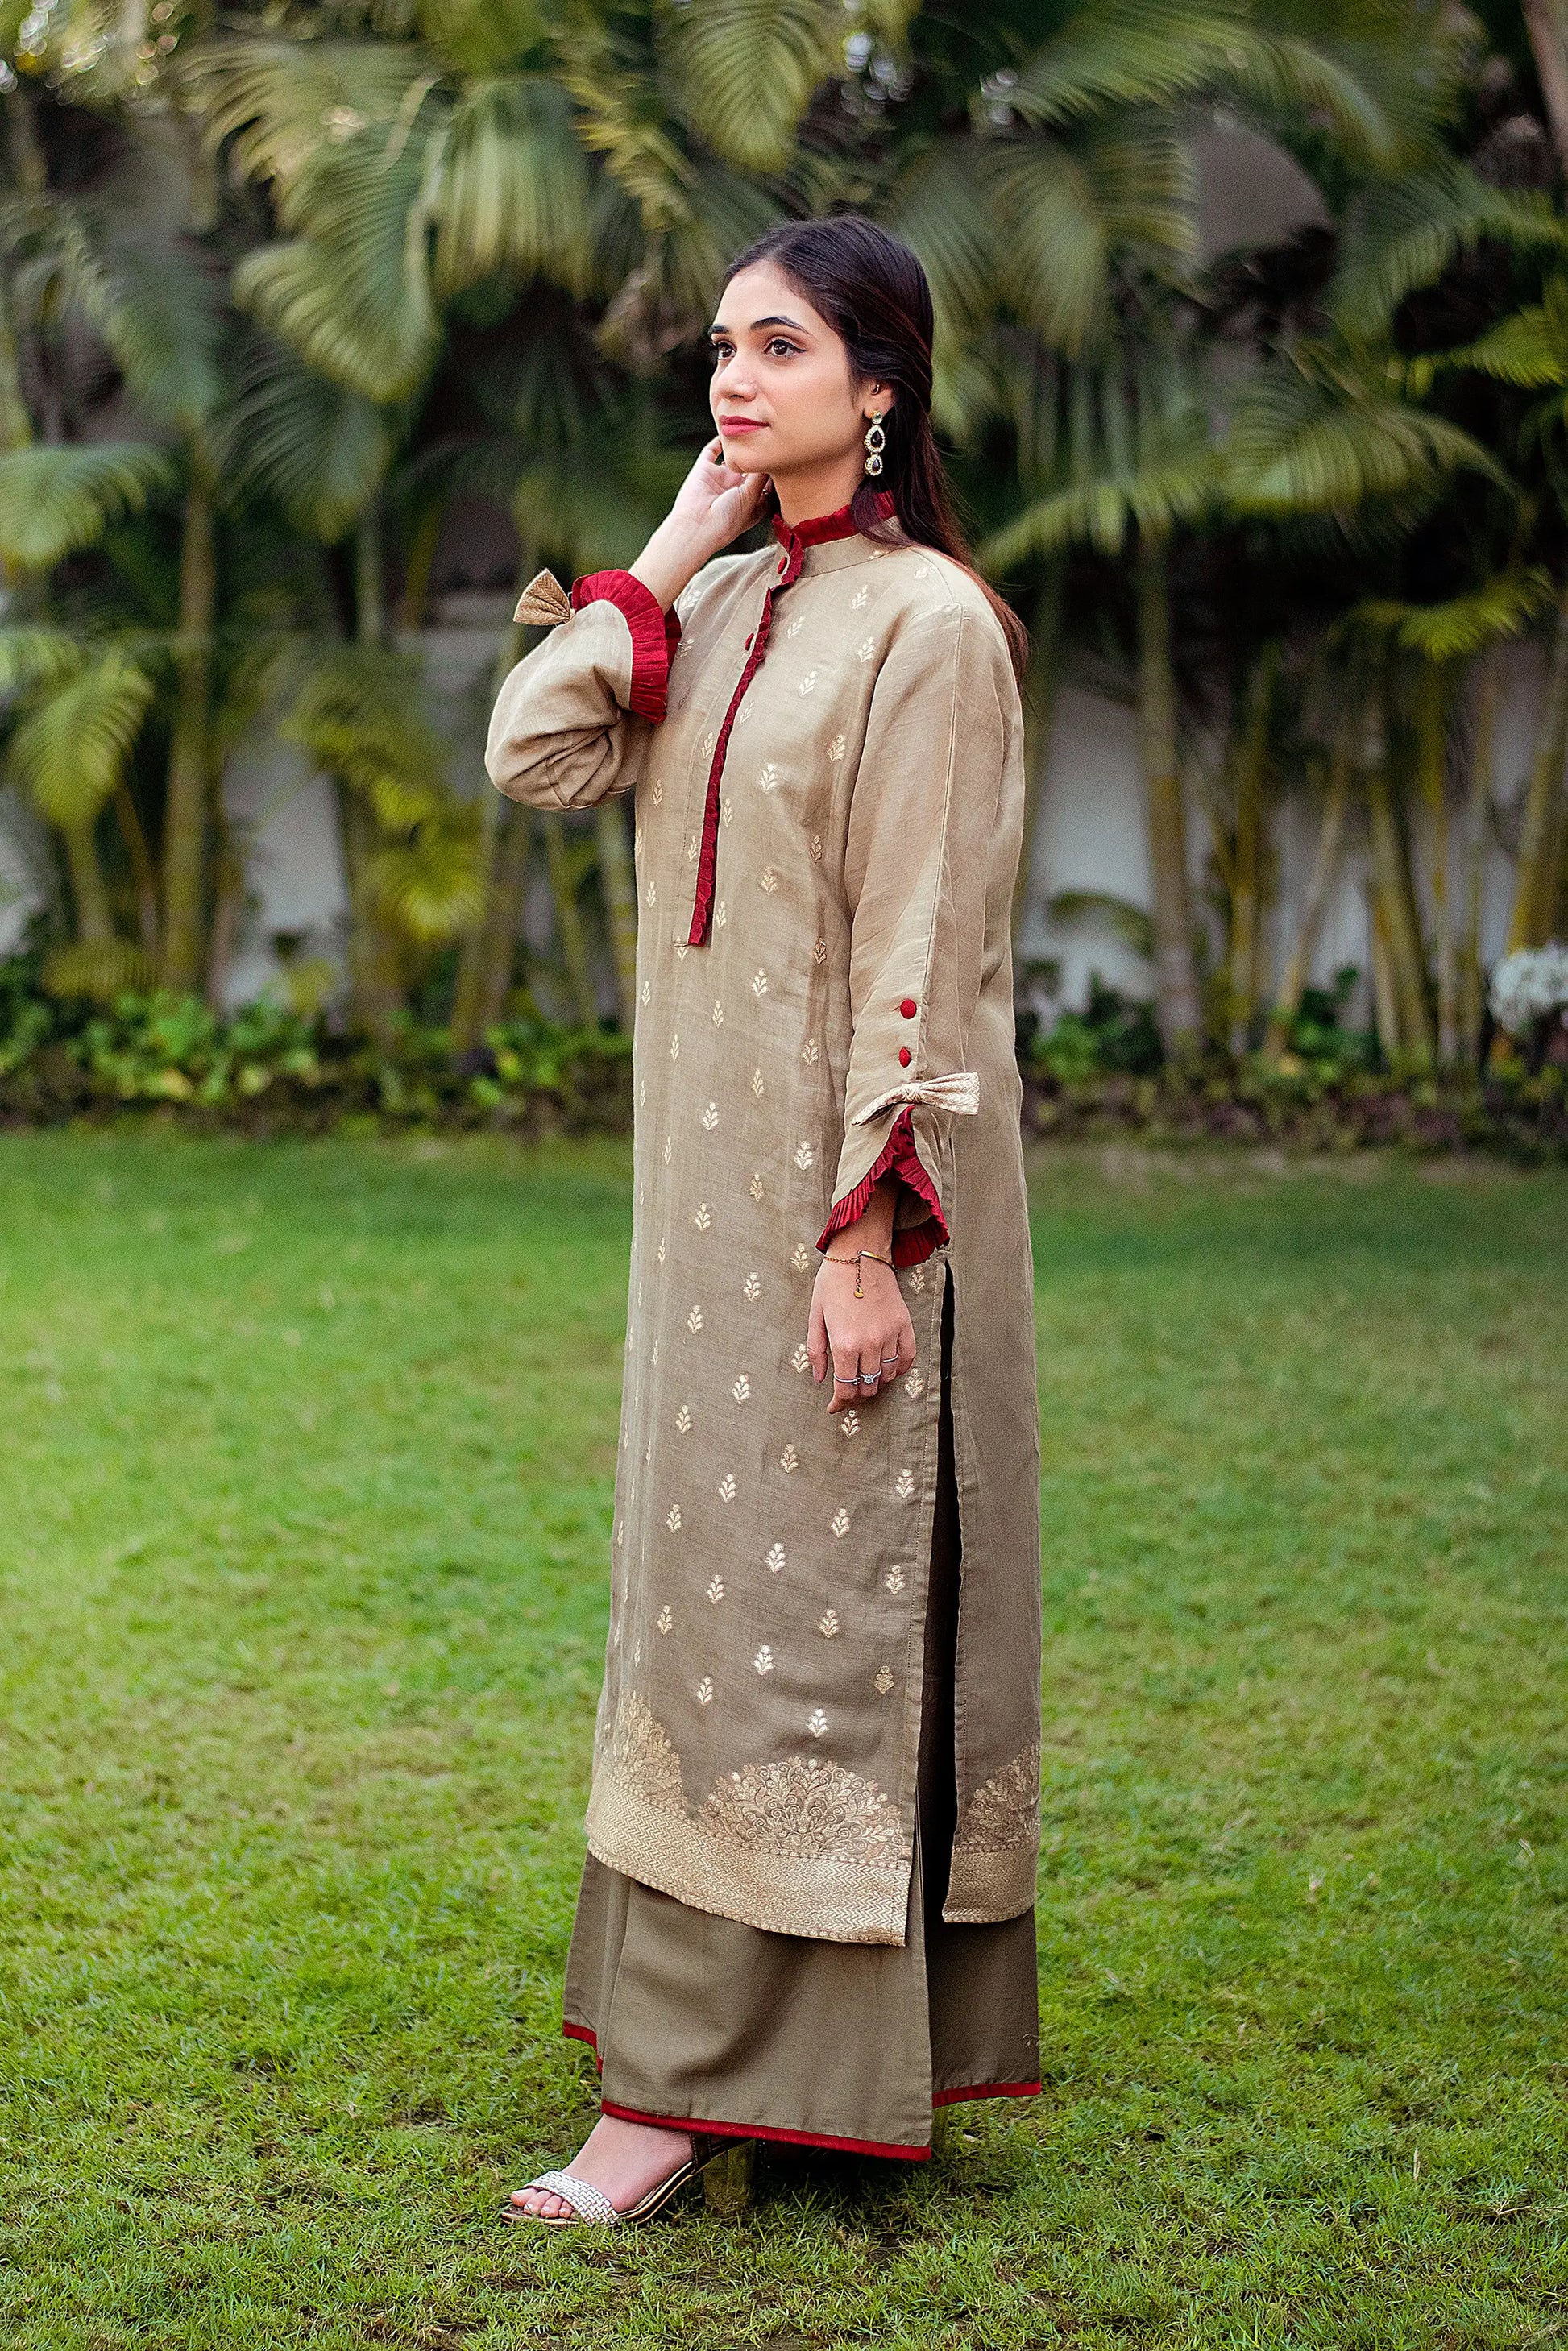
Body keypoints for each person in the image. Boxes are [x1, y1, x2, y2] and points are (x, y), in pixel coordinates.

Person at [485, 214, 1043, 2228]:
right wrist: (668, 543)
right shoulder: (714, 613)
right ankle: (701, 2068)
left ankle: (688, 2093)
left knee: (817, 1613)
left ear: (879, 382)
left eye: (781, 348)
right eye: (720, 350)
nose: (735, 378)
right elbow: (540, 746)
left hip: (837, 1211)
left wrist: (859, 1235)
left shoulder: (931, 629)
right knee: (700, 1610)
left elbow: (922, 950)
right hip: (691, 1227)